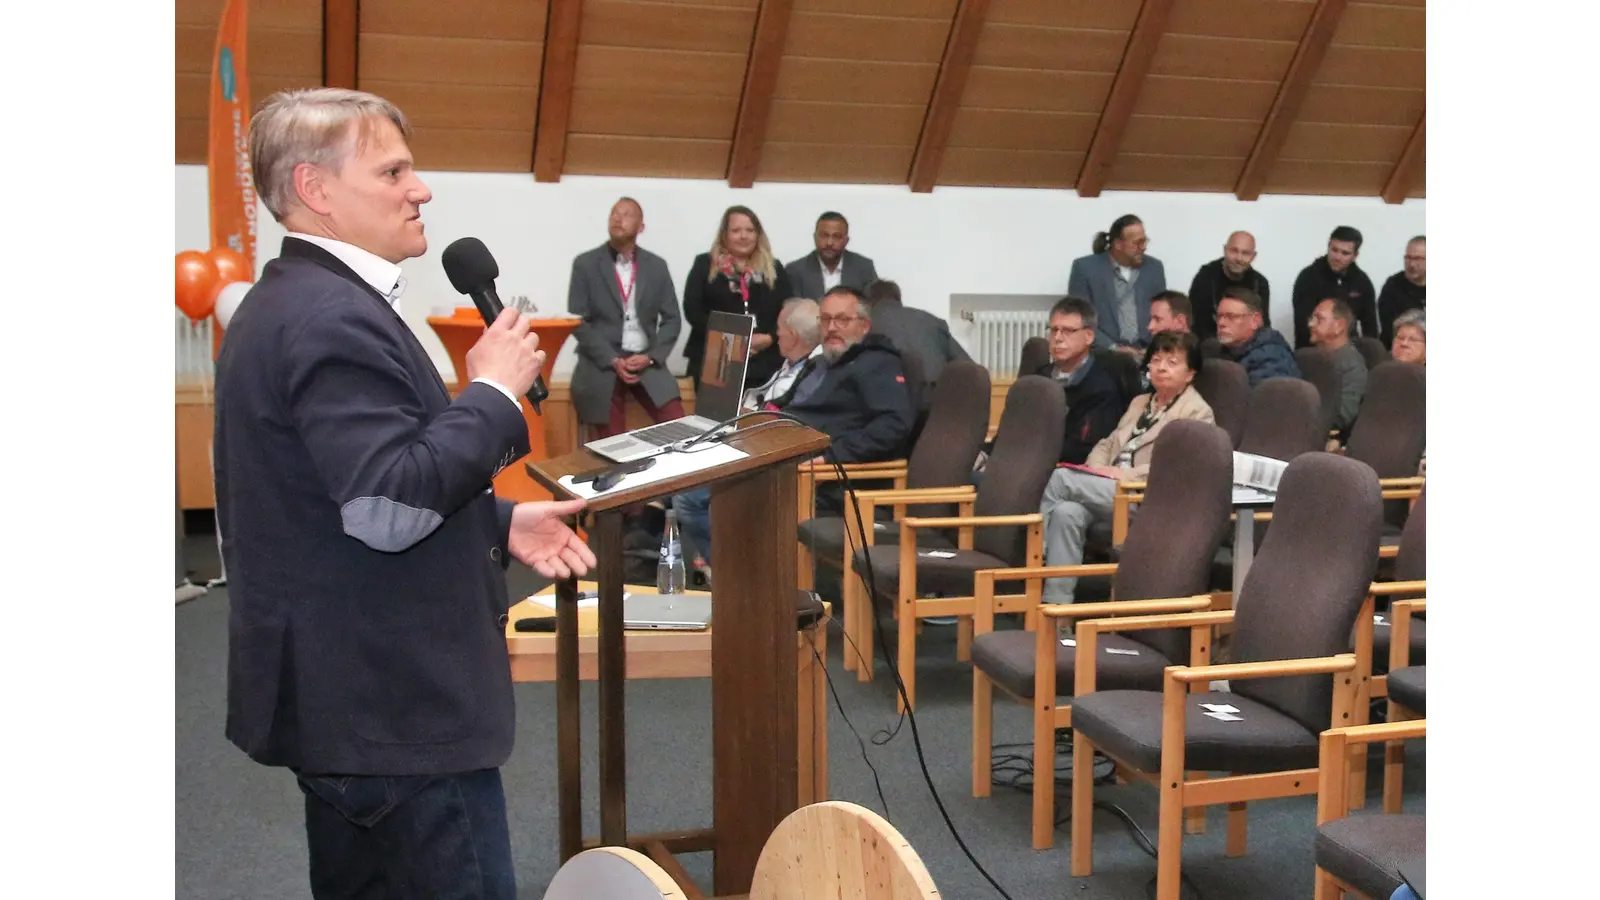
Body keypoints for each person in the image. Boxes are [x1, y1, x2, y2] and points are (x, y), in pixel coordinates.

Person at [215, 88, 597, 900]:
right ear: (315, 189)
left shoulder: (294, 298)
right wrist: (491, 394)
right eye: (392, 172)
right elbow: (387, 508)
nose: (420, 189)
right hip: (393, 710)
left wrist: (497, 520)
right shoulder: (329, 317)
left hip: (352, 703)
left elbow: (333, 496)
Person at [676, 287, 912, 566]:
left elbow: (893, 425)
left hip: (825, 477)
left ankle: (742, 578)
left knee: (694, 499)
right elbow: (790, 407)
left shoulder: (877, 364)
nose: (831, 328)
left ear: (865, 325)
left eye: (842, 320)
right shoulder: (824, 362)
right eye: (825, 320)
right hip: (780, 453)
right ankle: (741, 576)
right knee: (689, 480)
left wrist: (831, 457)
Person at [1038, 331, 1214, 603]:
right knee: (1065, 512)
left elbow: (1177, 470)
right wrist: (1098, 468)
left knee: (1060, 478)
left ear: (1190, 373)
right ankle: (1056, 608)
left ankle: (1036, 553)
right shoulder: (1140, 403)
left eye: (1172, 362)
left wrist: (1123, 475)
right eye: (1156, 360)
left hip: (1146, 497)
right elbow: (1108, 443)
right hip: (1110, 489)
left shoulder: (1197, 412)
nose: (1161, 368)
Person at [567, 197, 685, 439]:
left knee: (679, 427)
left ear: (641, 227)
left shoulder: (656, 266)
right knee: (611, 441)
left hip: (646, 360)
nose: (618, 218)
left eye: (627, 214)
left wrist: (651, 357)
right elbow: (577, 320)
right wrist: (611, 359)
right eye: (614, 213)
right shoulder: (585, 264)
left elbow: (672, 319)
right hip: (601, 363)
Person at [683, 205, 791, 388]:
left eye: (750, 230)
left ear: (758, 234)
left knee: (764, 408)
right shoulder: (705, 264)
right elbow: (693, 311)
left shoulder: (774, 268)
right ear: (724, 235)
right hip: (716, 359)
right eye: (736, 230)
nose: (743, 236)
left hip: (765, 359)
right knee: (718, 408)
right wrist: (734, 340)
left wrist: (771, 337)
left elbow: (788, 310)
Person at [1067, 213, 1168, 352]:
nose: (1143, 247)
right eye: (1137, 243)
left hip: (1146, 351)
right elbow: (1079, 319)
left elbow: (1162, 315)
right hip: (1103, 352)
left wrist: (1152, 349)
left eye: (1144, 241)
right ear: (1118, 244)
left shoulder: (1154, 268)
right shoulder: (1085, 269)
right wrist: (1114, 348)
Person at [862, 278, 971, 402]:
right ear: (898, 298)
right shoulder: (932, 320)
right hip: (939, 402)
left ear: (867, 304)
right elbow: (968, 366)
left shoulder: (865, 325)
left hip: (892, 402)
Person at [1291, 225, 1378, 349]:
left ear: (1355, 255)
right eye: (1334, 250)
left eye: (1345, 253)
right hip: (1313, 350)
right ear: (1328, 246)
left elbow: (1370, 328)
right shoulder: (1308, 278)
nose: (1337, 257)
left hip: (1351, 350)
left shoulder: (1362, 282)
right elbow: (1304, 327)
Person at [1187, 231, 1270, 340]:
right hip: (1211, 342)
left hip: (1248, 344)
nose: (1239, 258)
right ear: (1225, 250)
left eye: (1245, 253)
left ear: (1253, 256)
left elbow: (1263, 325)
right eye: (1234, 251)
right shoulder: (1206, 277)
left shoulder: (1259, 283)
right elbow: (1196, 324)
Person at [743, 297, 824, 410]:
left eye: (779, 328)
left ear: (793, 336)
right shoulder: (794, 361)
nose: (777, 333)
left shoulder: (810, 380)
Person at [1216, 286, 1300, 385]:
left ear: (1255, 321)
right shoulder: (1225, 351)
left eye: (1231, 316)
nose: (1221, 323)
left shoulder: (1271, 358)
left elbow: (1266, 394)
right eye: (1219, 316)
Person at [1308, 298, 1368, 432]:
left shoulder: (1352, 366)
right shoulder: (1309, 359)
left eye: (1319, 319)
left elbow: (1343, 416)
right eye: (1312, 318)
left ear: (1339, 326)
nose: (1311, 324)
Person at [786, 211, 878, 299]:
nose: (829, 243)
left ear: (846, 241)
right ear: (814, 237)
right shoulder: (795, 270)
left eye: (837, 236)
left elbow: (875, 304)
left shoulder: (864, 267)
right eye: (824, 235)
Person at [1378, 236, 1425, 347]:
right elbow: (1389, 329)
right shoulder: (1393, 286)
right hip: (1399, 347)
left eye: (1418, 259)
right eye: (1408, 258)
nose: (1411, 264)